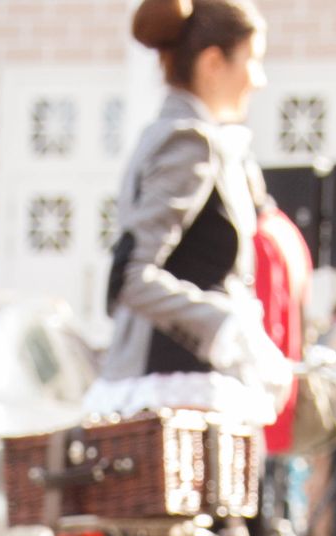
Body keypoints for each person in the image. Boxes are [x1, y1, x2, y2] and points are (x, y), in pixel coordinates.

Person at [88, 0, 291, 427]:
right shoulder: (189, 141)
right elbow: (130, 277)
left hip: (184, 387)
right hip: (178, 389)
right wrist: (229, 327)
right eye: (252, 60)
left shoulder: (200, 139)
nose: (259, 79)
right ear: (214, 62)